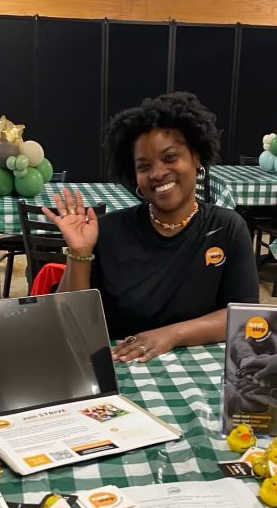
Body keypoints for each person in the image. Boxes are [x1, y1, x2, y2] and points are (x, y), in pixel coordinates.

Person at [42, 91, 259, 363]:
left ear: (197, 158)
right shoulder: (107, 231)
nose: (157, 173)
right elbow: (69, 324)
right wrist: (80, 252)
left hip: (201, 371)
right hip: (123, 368)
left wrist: (171, 334)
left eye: (170, 157)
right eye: (144, 166)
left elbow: (245, 315)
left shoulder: (226, 227)